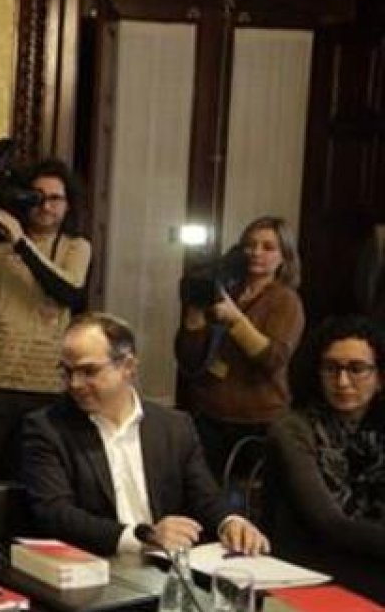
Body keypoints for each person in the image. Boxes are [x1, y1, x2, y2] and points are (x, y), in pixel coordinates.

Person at [22, 312, 270, 557]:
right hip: (93, 565)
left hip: (164, 567)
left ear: (128, 367)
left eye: (88, 371)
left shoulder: (174, 426)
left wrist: (231, 522)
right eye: (67, 371)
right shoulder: (47, 427)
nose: (75, 383)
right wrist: (143, 537)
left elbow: (205, 496)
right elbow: (55, 514)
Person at [0, 159, 90, 554]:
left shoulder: (76, 248)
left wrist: (21, 243)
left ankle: (22, 568)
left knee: (36, 491)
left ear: (68, 205)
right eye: (37, 197)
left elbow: (68, 292)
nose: (46, 206)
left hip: (45, 384)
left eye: (56, 199)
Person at [266, 315, 385, 599]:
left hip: (368, 556)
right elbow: (328, 524)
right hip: (306, 563)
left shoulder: (378, 428)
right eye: (331, 368)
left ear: (380, 378)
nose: (342, 382)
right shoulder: (293, 428)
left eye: (357, 369)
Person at [176, 216, 305, 477]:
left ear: (284, 257)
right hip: (209, 414)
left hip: (258, 420)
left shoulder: (285, 300)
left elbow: (273, 359)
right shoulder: (224, 290)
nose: (256, 253)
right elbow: (188, 358)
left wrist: (236, 320)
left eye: (268, 247)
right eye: (250, 245)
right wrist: (195, 312)